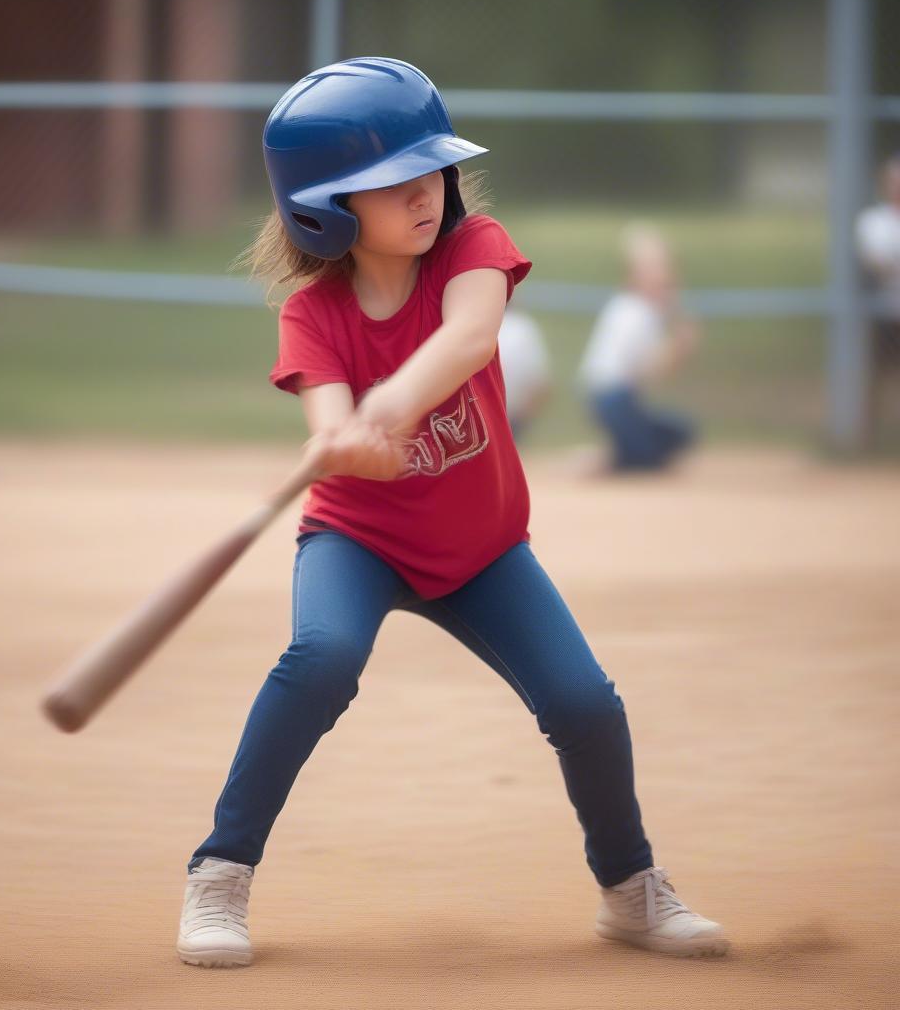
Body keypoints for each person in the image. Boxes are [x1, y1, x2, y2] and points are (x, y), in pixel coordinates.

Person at [177, 58, 727, 968]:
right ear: (326, 208)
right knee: (321, 659)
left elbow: (471, 337)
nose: (425, 193)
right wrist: (345, 433)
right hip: (359, 538)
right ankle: (218, 876)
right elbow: (329, 418)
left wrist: (384, 408)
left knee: (584, 702)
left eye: (429, 169)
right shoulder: (313, 315)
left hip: (481, 549)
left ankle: (631, 890)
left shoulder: (475, 249)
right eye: (392, 183)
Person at [577, 226, 699, 473]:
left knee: (678, 434)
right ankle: (613, 459)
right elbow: (650, 369)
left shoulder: (638, 309)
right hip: (612, 396)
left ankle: (618, 456)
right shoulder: (635, 312)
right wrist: (679, 344)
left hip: (616, 396)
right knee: (646, 460)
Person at [855, 153, 900, 433]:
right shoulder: (874, 221)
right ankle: (865, 437)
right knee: (875, 376)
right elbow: (876, 264)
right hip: (885, 311)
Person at [497, 305, 552, 440]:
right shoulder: (524, 326)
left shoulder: (464, 322)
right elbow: (541, 382)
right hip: (512, 410)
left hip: (477, 410)